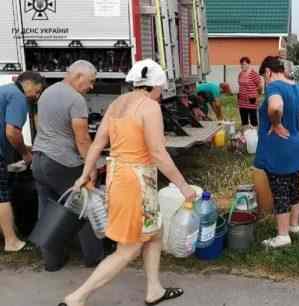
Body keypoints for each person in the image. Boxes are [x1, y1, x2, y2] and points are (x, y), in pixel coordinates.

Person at [59, 59, 196, 306]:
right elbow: (157, 153)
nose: (161, 93)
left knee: (154, 233)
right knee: (129, 248)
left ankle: (154, 290)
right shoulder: (150, 107)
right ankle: (77, 297)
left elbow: (98, 143)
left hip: (118, 176)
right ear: (155, 85)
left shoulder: (117, 104)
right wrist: (183, 185)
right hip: (137, 183)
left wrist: (84, 173)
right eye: (161, 88)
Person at [32, 60, 104, 271]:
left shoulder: (47, 92)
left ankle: (51, 262)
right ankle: (94, 259)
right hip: (62, 162)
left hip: (39, 159)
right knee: (84, 206)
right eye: (90, 81)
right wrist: (91, 168)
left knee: (46, 209)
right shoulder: (75, 99)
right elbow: (82, 138)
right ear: (78, 76)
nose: (91, 86)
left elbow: (40, 123)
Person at [255, 56, 299, 248]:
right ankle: (294, 225)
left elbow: (276, 106)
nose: (264, 80)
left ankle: (282, 236)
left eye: (264, 76)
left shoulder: (274, 87)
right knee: (293, 186)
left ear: (268, 72)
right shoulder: (298, 87)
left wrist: (276, 123)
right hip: (296, 144)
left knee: (280, 191)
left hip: (279, 147)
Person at [0, 71, 44, 252]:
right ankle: (11, 241)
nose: (37, 95)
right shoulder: (18, 97)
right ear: (29, 84)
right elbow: (12, 132)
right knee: (2, 195)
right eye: (38, 90)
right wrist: (25, 153)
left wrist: (24, 146)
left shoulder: (5, 91)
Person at [238, 57, 263, 127]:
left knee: (253, 121)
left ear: (249, 64)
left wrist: (258, 96)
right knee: (244, 121)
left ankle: (254, 136)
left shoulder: (253, 74)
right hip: (242, 102)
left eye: (245, 64)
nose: (243, 66)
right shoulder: (240, 74)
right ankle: (245, 136)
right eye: (242, 64)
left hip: (251, 101)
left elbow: (260, 86)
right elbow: (240, 86)